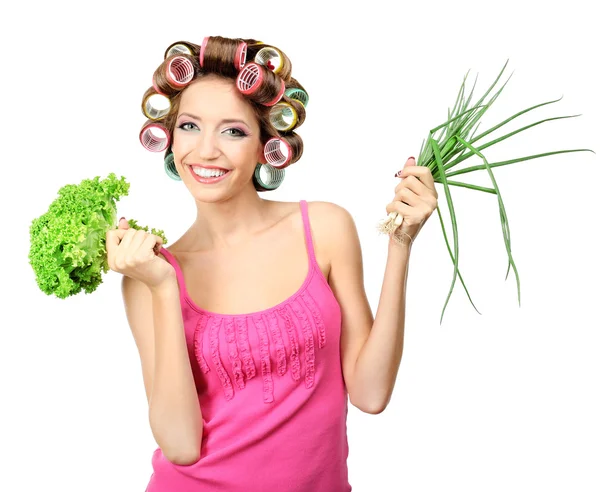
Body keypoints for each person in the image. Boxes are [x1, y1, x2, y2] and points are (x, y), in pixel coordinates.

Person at [105, 36, 438, 492]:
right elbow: (181, 445)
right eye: (189, 126)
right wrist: (163, 289)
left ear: (267, 144)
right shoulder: (150, 275)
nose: (205, 151)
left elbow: (370, 393)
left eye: (233, 131)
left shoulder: (324, 229)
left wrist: (401, 244)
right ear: (168, 136)